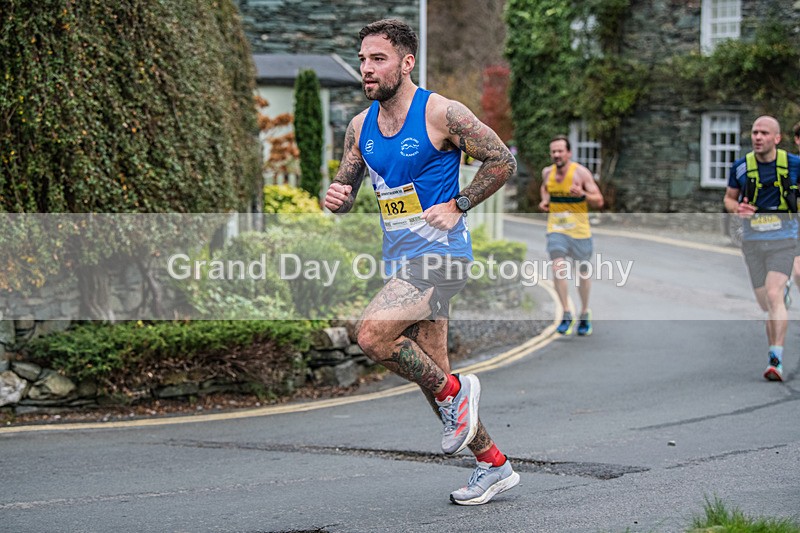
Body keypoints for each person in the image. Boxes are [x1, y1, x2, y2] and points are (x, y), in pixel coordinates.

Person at [323, 19, 519, 505]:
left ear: (407, 62)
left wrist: (459, 205)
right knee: (431, 372)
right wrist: (338, 196)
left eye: (378, 59)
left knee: (371, 333)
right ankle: (493, 464)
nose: (366, 69)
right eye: (363, 59)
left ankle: (457, 391)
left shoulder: (440, 113)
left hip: (442, 256)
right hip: (403, 259)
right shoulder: (359, 127)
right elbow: (348, 187)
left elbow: (501, 160)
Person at [723, 116, 800, 382]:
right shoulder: (740, 167)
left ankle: (775, 359)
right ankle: (783, 293)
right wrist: (737, 209)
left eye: (764, 133)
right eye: (755, 132)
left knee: (773, 293)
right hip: (753, 242)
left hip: (785, 239)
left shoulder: (794, 165)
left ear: (777, 138)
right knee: (765, 302)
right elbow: (729, 198)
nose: (757, 137)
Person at [538, 135, 604, 336]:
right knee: (558, 268)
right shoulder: (547, 173)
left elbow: (599, 200)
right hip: (557, 230)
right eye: (554, 151)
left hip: (580, 232)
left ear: (569, 153)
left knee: (582, 275)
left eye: (560, 151)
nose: (557, 155)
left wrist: (583, 195)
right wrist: (544, 201)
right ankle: (566, 312)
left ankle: (584, 312)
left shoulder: (581, 174)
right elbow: (545, 189)